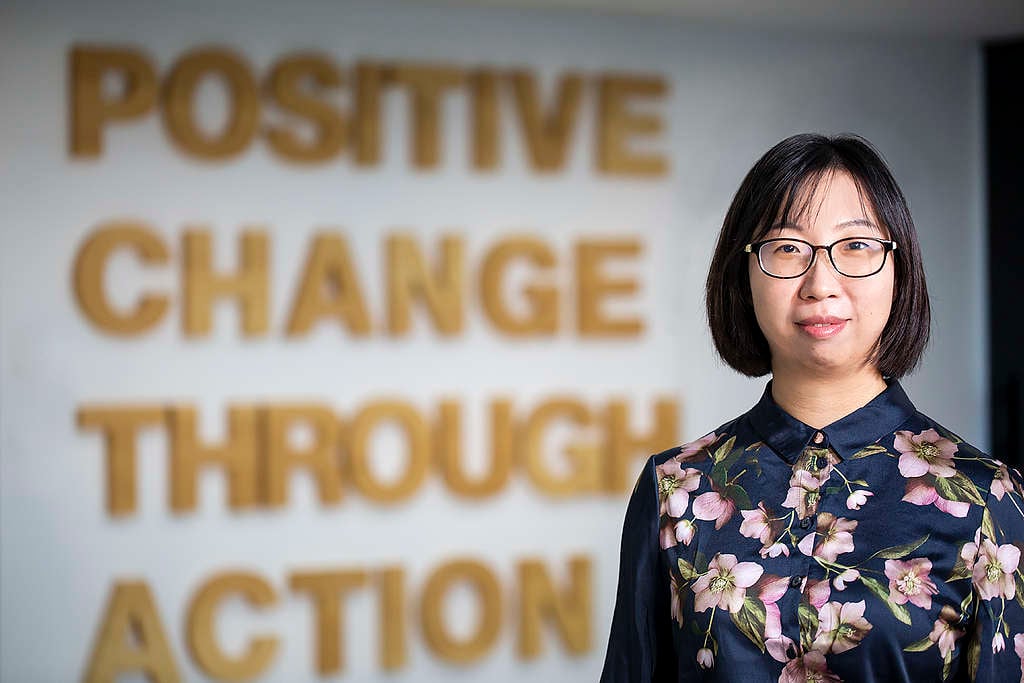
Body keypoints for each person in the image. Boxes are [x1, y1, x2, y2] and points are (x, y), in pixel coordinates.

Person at [599, 133, 1024, 682]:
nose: (821, 284)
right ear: (744, 271)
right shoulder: (677, 490)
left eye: (855, 247)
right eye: (787, 248)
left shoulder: (987, 501)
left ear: (899, 268)